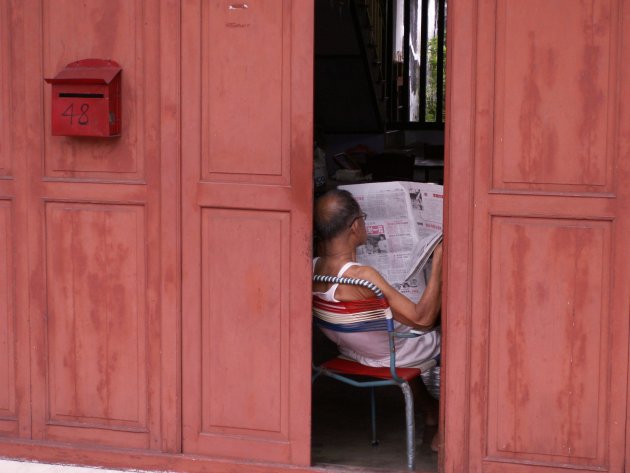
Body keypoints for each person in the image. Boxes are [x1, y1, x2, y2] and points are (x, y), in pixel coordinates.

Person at [313, 188, 442, 451]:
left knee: (394, 328)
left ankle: (430, 410)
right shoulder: (362, 276)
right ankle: (447, 430)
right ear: (355, 226)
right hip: (391, 354)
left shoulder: (313, 266)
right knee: (462, 335)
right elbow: (424, 319)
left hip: (352, 349)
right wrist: (439, 259)